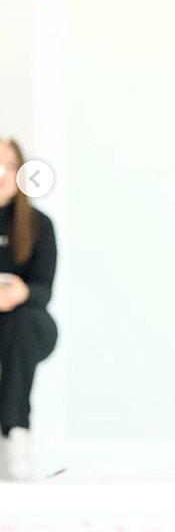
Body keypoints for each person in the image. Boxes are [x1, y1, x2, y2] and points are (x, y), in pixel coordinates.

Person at [0, 137, 58, 482]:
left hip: (24, 323)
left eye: (9, 166)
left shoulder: (38, 225)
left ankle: (16, 431)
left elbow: (43, 290)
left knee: (20, 325)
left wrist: (20, 293)